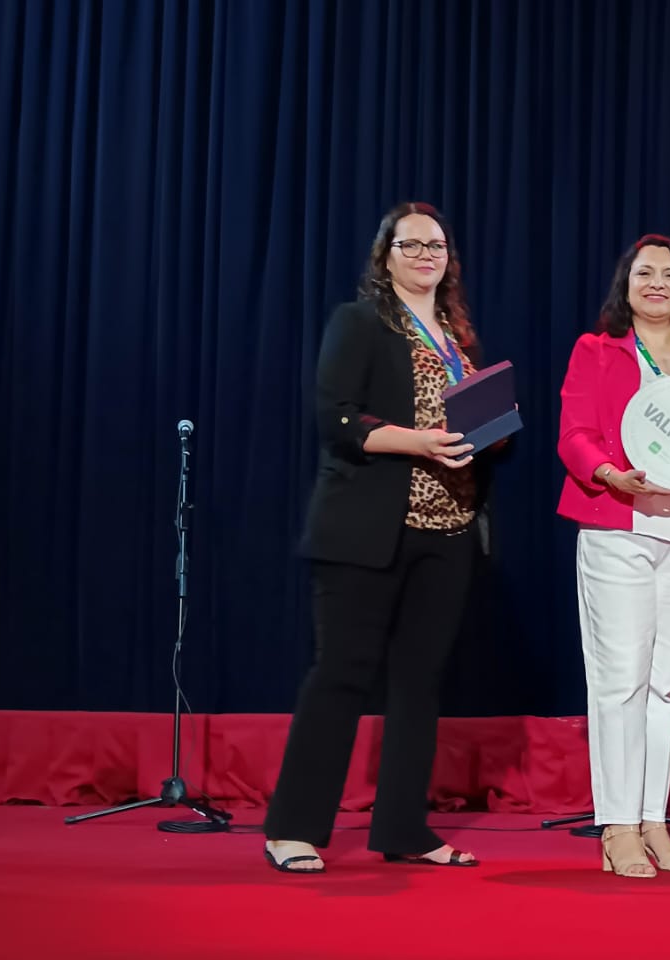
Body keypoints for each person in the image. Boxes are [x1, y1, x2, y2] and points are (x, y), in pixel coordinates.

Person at [263, 201, 492, 873]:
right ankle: (293, 829)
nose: (426, 255)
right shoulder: (359, 321)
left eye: (437, 247)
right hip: (366, 528)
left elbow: (470, 428)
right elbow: (335, 419)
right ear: (385, 255)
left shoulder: (459, 337)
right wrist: (417, 441)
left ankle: (403, 828)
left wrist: (491, 432)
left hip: (447, 530)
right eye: (412, 244)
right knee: (342, 674)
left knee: (419, 684)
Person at [557, 235, 670, 878]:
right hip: (619, 529)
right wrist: (608, 472)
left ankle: (654, 820)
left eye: (669, 274)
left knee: (664, 687)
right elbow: (573, 433)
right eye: (644, 273)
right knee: (620, 682)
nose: (656, 283)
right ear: (626, 285)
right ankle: (618, 827)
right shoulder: (596, 351)